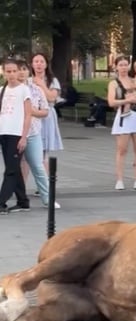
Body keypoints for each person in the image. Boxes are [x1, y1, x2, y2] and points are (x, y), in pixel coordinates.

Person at [18, 60, 61, 209]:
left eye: (24, 69)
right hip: (13, 132)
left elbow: (45, 110)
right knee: (14, 167)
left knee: (38, 165)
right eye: (18, 70)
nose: (21, 72)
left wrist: (32, 112)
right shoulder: (6, 90)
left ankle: (47, 198)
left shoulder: (36, 89)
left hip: (33, 132)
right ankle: (19, 197)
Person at [107, 55, 136, 191]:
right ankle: (119, 180)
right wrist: (127, 101)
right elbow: (111, 102)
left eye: (126, 65)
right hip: (124, 116)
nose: (124, 68)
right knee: (122, 149)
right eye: (121, 65)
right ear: (116, 67)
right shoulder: (114, 83)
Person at [0, 59, 32, 215]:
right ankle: (23, 201)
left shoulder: (24, 90)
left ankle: (1, 202)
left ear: (19, 71)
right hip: (3, 132)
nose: (11, 74)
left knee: (10, 171)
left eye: (14, 71)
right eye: (8, 71)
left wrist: (24, 137)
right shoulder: (2, 90)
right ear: (3, 72)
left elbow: (28, 115)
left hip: (16, 134)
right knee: (13, 168)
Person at [31, 53, 64, 173]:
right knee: (33, 153)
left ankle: (45, 184)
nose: (38, 64)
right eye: (36, 61)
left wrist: (42, 85)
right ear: (32, 64)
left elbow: (51, 98)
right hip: (32, 115)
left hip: (46, 115)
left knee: (42, 151)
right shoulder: (28, 80)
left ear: (46, 64)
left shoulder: (52, 80)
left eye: (41, 61)